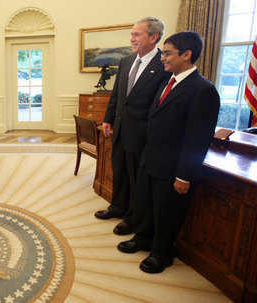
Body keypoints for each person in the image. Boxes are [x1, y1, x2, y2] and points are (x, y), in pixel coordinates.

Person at [117, 31, 220, 274]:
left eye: (167, 53)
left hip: (173, 167)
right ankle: (141, 237)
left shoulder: (203, 90)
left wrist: (184, 176)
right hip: (150, 158)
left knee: (166, 212)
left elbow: (198, 139)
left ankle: (161, 253)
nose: (162, 58)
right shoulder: (167, 82)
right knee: (144, 203)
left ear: (187, 55)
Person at [94, 17, 170, 235]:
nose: (132, 38)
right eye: (132, 34)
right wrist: (108, 118)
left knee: (137, 180)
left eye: (137, 34)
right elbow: (117, 95)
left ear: (154, 37)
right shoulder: (126, 61)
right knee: (119, 172)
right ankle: (117, 207)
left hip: (141, 134)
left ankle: (132, 218)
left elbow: (159, 104)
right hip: (118, 129)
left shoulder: (163, 64)